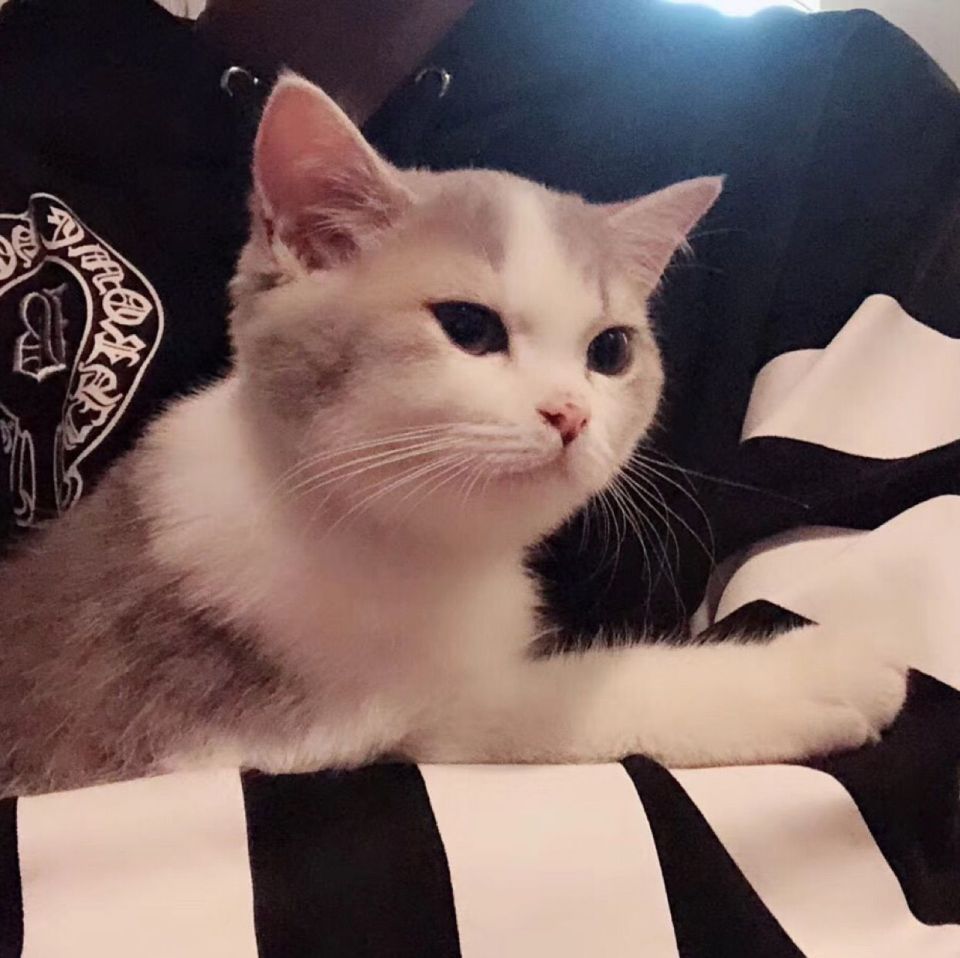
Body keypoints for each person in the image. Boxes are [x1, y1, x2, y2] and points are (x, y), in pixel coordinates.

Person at [0, 0, 958, 637]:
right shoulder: (33, 88)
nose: (568, 408)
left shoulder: (832, 112)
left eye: (610, 347)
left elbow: (897, 780)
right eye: (471, 327)